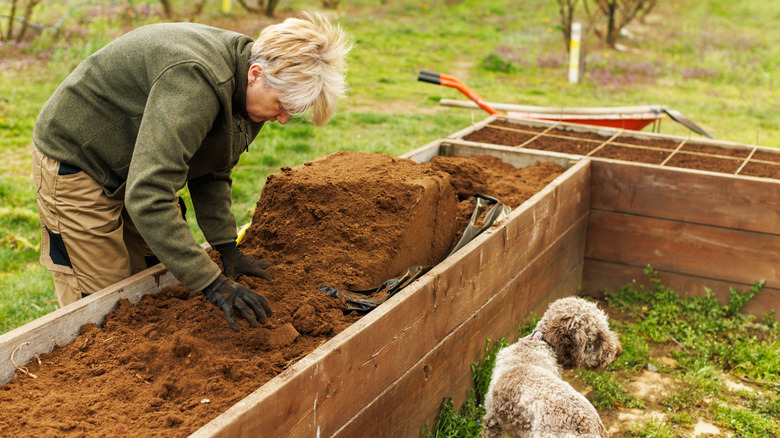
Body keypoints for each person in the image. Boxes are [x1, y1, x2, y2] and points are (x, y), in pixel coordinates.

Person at [31, 12, 351, 331]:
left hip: (140, 161)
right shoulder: (196, 82)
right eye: (281, 105)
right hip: (80, 160)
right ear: (256, 74)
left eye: (291, 112)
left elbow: (212, 167)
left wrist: (227, 246)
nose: (282, 119)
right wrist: (212, 284)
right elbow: (149, 195)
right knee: (104, 305)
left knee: (150, 279)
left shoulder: (248, 95)